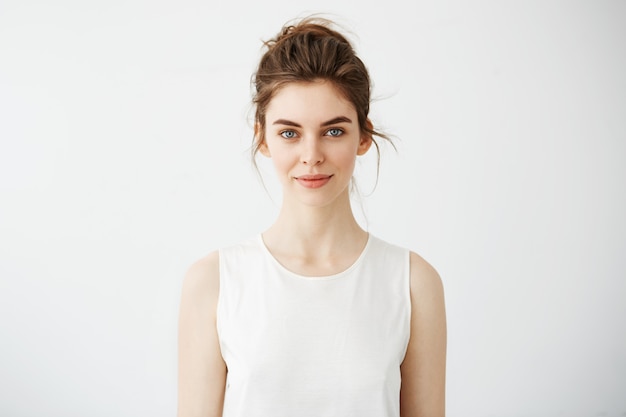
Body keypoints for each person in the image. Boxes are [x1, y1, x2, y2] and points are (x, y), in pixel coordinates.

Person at [177, 16, 447, 417]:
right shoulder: (214, 281)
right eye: (289, 132)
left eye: (333, 131)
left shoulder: (412, 283)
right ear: (262, 139)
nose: (311, 155)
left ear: (364, 136)